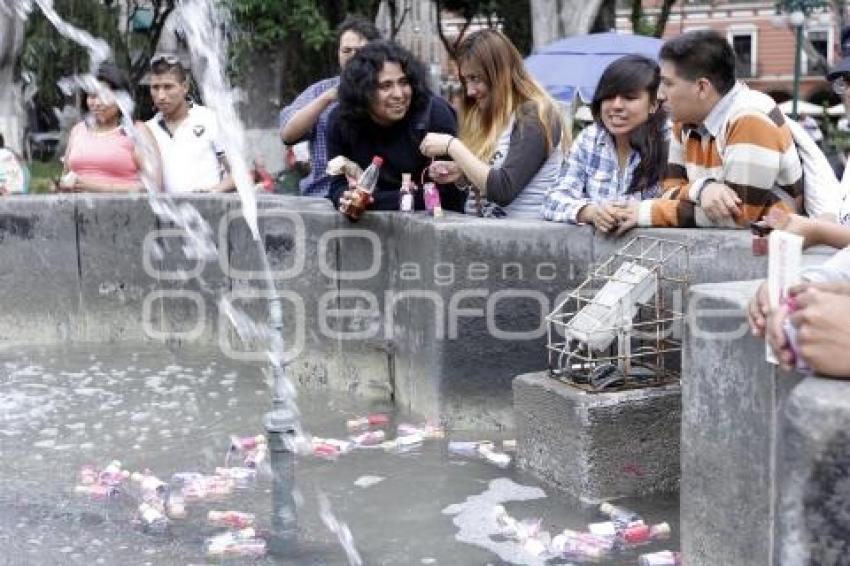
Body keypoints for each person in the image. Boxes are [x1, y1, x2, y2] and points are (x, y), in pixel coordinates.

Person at [613, 30, 804, 234]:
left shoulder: (749, 117)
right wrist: (702, 189)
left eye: (668, 84)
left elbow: (737, 217)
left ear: (702, 87)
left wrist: (647, 213)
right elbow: (667, 190)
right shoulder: (684, 119)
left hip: (770, 252)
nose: (659, 94)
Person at [419, 29, 567, 219]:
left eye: (475, 78)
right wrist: (463, 173)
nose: (470, 91)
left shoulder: (536, 114)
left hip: (525, 240)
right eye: (465, 81)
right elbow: (493, 172)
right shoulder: (488, 114)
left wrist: (452, 146)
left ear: (499, 73)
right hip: (486, 237)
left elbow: (503, 189)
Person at [326, 40, 464, 214]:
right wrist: (344, 196)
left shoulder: (434, 114)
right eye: (386, 86)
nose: (399, 94)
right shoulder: (340, 121)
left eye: (404, 82)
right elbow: (336, 183)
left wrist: (372, 200)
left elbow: (445, 193)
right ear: (362, 91)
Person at [541, 55, 667, 231]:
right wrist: (591, 212)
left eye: (629, 98)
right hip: (595, 255)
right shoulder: (590, 138)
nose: (616, 105)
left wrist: (642, 213)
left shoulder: (671, 140)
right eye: (608, 97)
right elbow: (552, 199)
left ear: (653, 104)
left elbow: (680, 205)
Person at [279, 15, 380, 198]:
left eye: (360, 51)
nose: (353, 57)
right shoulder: (321, 91)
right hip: (320, 197)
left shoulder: (389, 93)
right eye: (346, 50)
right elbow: (288, 134)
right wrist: (328, 98)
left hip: (373, 199)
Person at [60, 62, 160, 193]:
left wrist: (97, 187)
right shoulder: (78, 130)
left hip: (120, 211)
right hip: (77, 211)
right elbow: (65, 175)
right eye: (92, 96)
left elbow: (155, 186)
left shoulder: (136, 132)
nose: (96, 103)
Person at [146, 53, 234, 194]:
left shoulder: (210, 119)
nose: (161, 96)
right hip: (165, 213)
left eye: (168, 87)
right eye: (155, 88)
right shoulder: (148, 129)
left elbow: (238, 172)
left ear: (185, 87)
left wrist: (213, 192)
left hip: (209, 210)